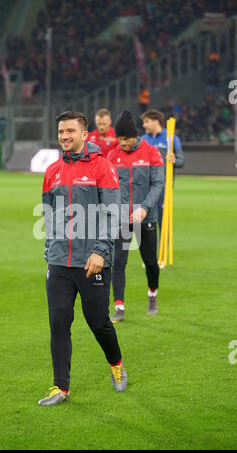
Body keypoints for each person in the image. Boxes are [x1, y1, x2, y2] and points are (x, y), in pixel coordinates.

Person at [39, 111, 127, 406]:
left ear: (84, 134)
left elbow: (113, 213)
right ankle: (59, 388)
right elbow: (49, 216)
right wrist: (49, 252)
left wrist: (101, 252)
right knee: (59, 323)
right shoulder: (51, 171)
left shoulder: (103, 167)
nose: (65, 136)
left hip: (92, 263)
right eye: (61, 131)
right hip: (59, 264)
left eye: (70, 131)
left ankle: (116, 365)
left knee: (99, 322)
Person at [107, 110, 164, 320]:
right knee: (118, 262)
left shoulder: (151, 152)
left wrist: (145, 207)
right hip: (122, 220)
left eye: (126, 139)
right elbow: (108, 186)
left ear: (135, 135)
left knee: (150, 262)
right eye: (119, 139)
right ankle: (119, 308)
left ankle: (152, 293)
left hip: (146, 218)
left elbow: (158, 183)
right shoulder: (112, 156)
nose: (123, 143)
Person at [140, 109, 185, 233]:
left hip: (164, 186)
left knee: (163, 220)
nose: (143, 125)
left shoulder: (171, 138)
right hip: (146, 186)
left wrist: (174, 160)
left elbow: (181, 161)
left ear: (156, 122)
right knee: (146, 222)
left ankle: (163, 251)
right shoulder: (143, 139)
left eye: (146, 122)